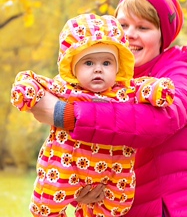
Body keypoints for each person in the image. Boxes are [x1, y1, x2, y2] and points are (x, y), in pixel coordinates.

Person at [29, 0, 187, 217]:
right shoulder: (105, 80)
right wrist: (81, 190)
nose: (130, 34)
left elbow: (159, 122)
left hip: (173, 208)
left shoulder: (180, 72)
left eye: (143, 27)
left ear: (163, 36)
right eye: (123, 25)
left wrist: (64, 114)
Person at [11, 13, 175, 216]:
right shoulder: (66, 89)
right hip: (65, 168)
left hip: (114, 173)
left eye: (106, 63)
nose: (98, 69)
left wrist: (159, 90)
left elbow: (146, 87)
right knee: (47, 203)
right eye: (88, 63)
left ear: (117, 67)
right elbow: (35, 81)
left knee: (118, 204)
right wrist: (26, 90)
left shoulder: (124, 91)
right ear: (72, 66)